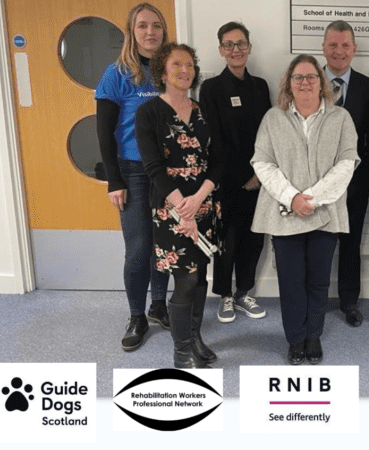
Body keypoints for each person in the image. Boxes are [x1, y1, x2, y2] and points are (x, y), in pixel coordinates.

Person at [251, 54, 359, 365]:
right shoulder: (273, 118)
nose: (305, 82)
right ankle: (295, 339)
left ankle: (313, 336)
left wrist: (309, 198)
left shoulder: (340, 119)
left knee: (319, 280)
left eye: (311, 77)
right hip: (285, 214)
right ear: (289, 83)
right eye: (298, 77)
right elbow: (262, 163)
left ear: (322, 83)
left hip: (326, 213)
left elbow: (346, 164)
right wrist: (291, 198)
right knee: (291, 280)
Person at [135, 42, 223, 368]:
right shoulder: (149, 113)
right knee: (185, 279)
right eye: (177, 65)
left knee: (200, 277)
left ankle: (197, 338)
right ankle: (181, 350)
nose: (185, 71)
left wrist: (199, 199)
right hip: (169, 210)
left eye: (189, 65)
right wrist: (181, 209)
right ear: (162, 72)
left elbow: (219, 161)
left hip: (204, 205)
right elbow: (154, 167)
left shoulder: (203, 112)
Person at [95, 3, 171, 352]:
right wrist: (115, 180)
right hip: (133, 172)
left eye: (156, 26)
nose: (150, 32)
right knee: (139, 249)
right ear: (132, 31)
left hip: (168, 174)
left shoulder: (170, 71)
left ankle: (159, 305)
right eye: (142, 26)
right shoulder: (116, 74)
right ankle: (137, 316)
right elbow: (104, 131)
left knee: (164, 246)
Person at [199, 22, 270, 324]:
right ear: (220, 50)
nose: (236, 49)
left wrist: (258, 173)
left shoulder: (261, 86)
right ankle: (225, 295)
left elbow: (268, 134)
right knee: (227, 239)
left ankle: (244, 292)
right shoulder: (211, 88)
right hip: (226, 179)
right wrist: (242, 175)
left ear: (249, 47)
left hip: (260, 179)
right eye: (229, 45)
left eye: (241, 43)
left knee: (254, 239)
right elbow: (215, 138)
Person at [322, 20, 369, 328]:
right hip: (314, 184)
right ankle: (313, 298)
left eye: (344, 45)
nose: (338, 51)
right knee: (317, 242)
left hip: (356, 182)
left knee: (350, 241)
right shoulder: (306, 81)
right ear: (323, 48)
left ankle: (349, 301)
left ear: (354, 49)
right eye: (333, 45)